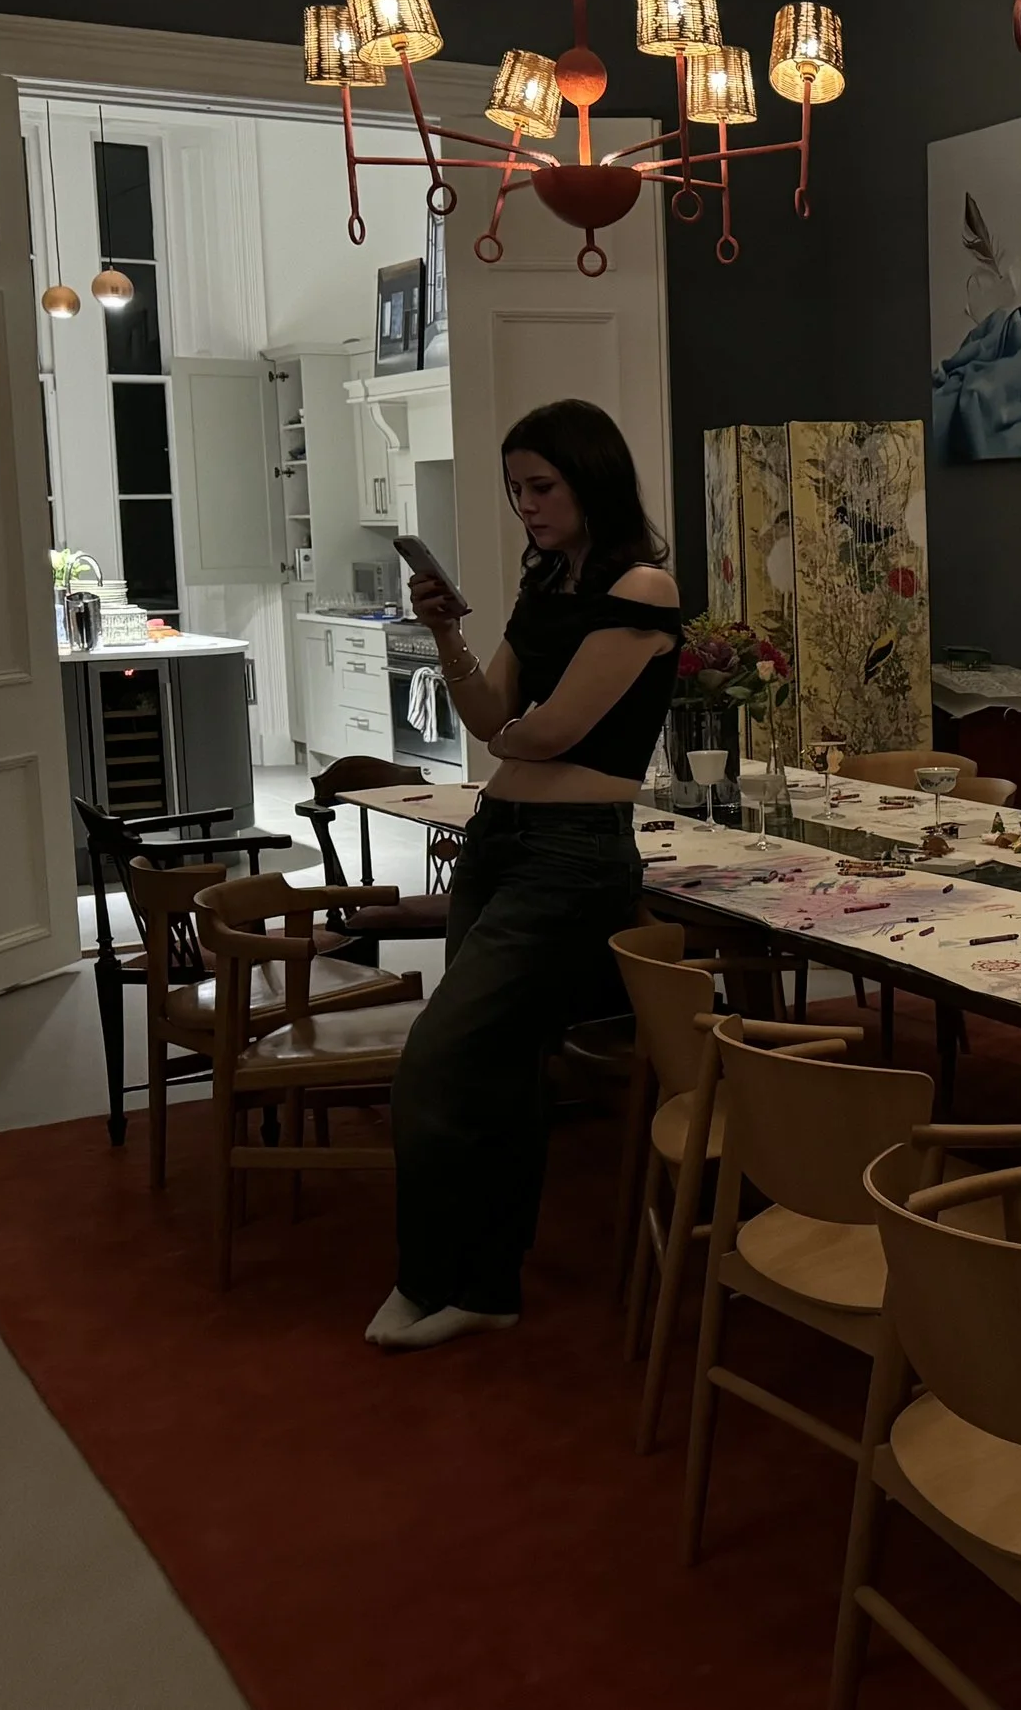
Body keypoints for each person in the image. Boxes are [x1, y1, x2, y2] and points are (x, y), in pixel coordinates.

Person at [366, 399, 681, 1351]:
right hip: (501, 836)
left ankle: (432, 1275)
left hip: (573, 853)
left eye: (541, 486)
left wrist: (510, 730)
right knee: (495, 1072)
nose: (526, 506)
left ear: (592, 478)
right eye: (516, 490)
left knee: (438, 1056)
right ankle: (480, 1285)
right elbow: (492, 712)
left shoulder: (643, 587)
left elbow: (548, 731)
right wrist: (446, 635)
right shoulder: (548, 580)